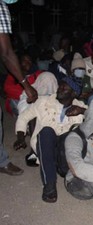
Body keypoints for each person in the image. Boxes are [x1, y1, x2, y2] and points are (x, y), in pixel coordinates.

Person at [13, 76, 86, 202]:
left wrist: (83, 111)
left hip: (64, 152)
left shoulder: (80, 107)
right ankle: (49, 186)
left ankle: (65, 170)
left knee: (74, 133)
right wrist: (20, 137)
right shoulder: (43, 101)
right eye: (60, 85)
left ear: (74, 93)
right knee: (47, 131)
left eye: (64, 87)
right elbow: (24, 117)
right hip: (45, 145)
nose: (59, 89)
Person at [0, 0, 38, 176]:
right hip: (15, 102)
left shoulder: (35, 74)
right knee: (25, 107)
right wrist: (27, 86)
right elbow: (6, 52)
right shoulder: (0, 8)